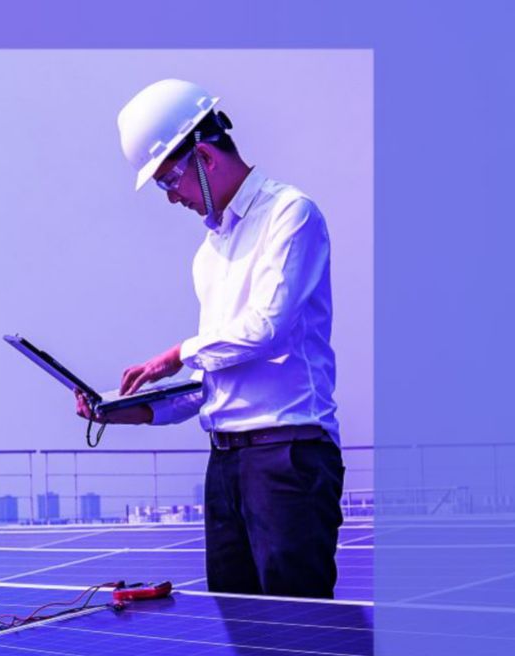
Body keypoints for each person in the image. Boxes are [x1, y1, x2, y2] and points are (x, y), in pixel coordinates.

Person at [74, 79, 344, 599]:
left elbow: (266, 328)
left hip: (287, 455)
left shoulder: (291, 215)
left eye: (167, 180)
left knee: (298, 637)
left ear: (203, 156)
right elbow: (210, 376)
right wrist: (121, 411)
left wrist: (175, 354)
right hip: (225, 466)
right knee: (240, 632)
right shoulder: (209, 253)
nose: (171, 196)